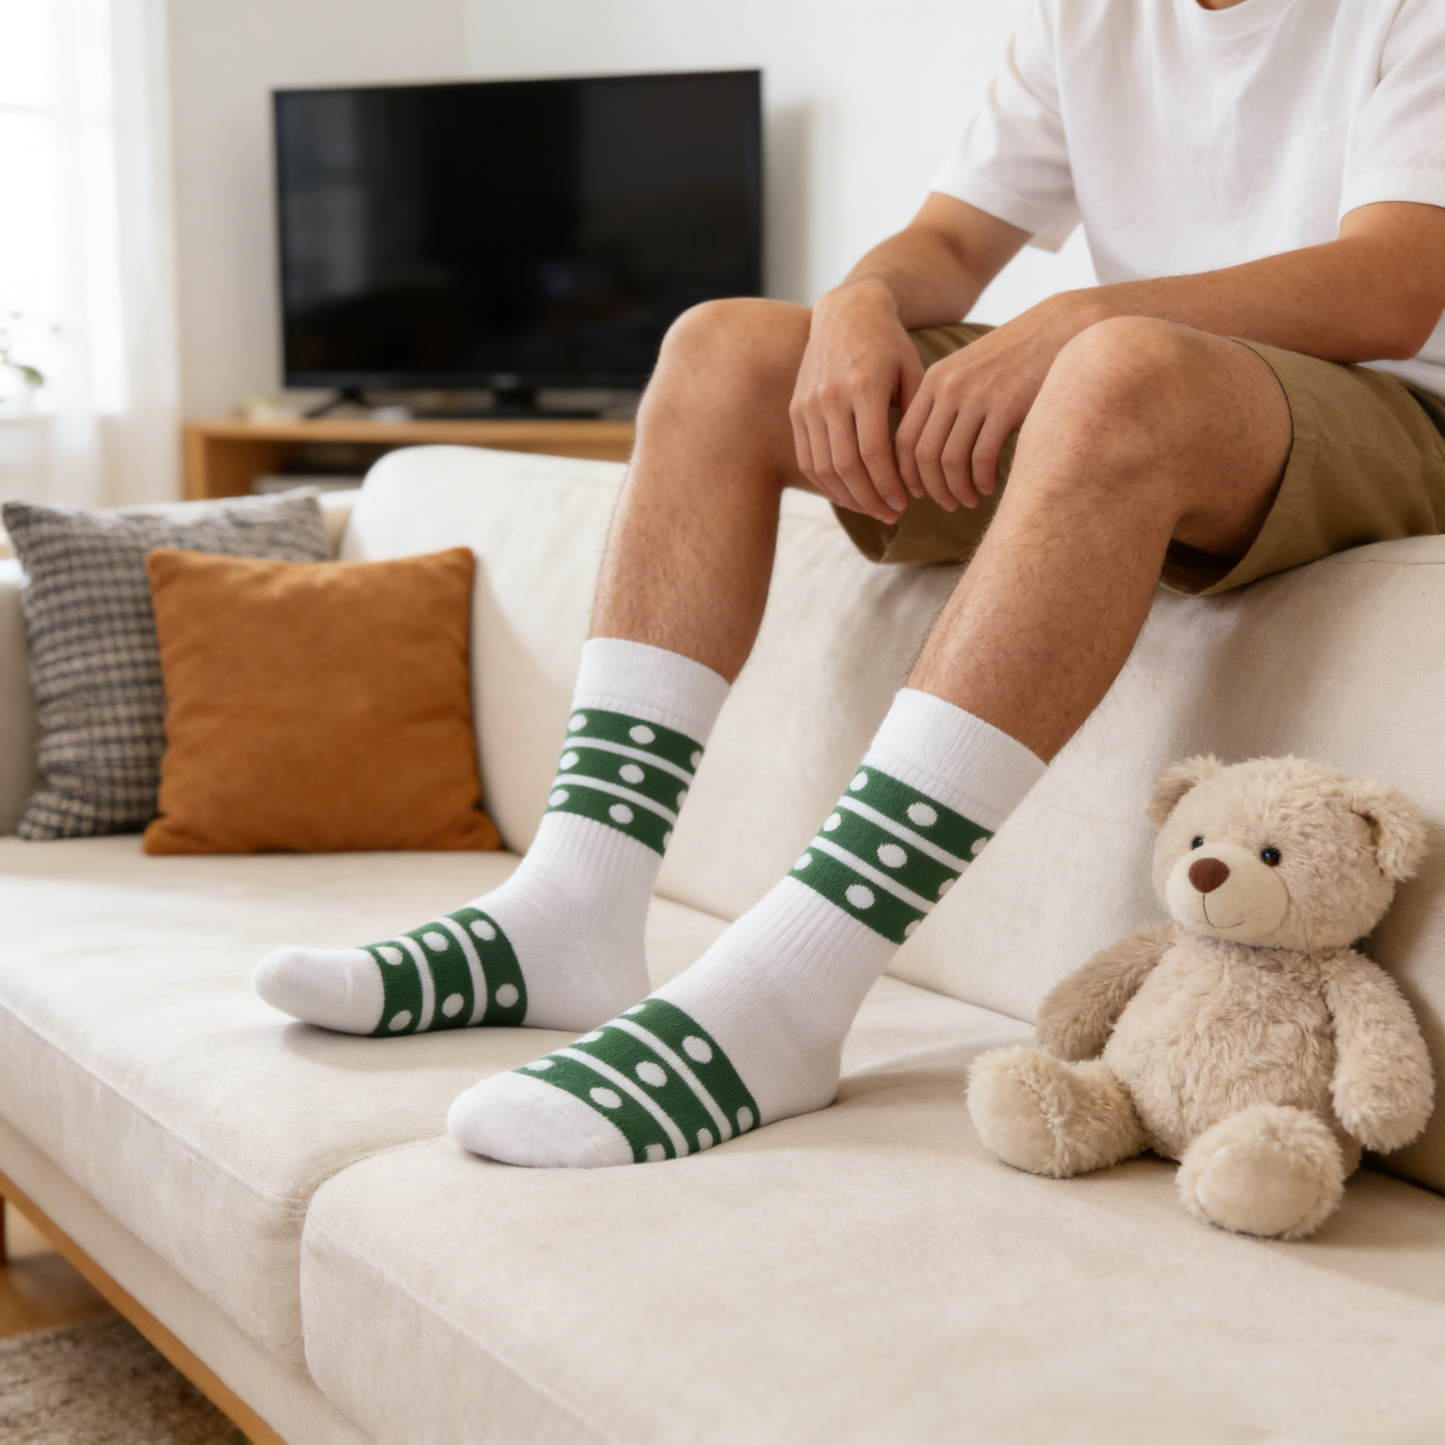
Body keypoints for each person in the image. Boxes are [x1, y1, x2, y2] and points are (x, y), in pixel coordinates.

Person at [255, 0, 1445, 1168]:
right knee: (722, 346)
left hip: (1387, 412)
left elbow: (1392, 283)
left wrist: (1083, 317)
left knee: (1115, 365)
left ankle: (791, 987)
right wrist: (858, 305)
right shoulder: (1081, 17)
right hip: (1132, 395)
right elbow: (944, 242)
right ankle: (572, 903)